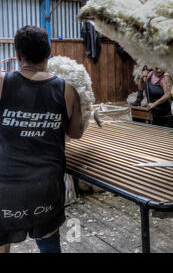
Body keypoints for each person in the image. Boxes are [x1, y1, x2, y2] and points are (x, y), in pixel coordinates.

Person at [0, 26, 84, 253]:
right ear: (49, 52)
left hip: (5, 187)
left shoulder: (1, 83)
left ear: (17, 54)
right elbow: (77, 133)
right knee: (48, 243)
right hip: (45, 187)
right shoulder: (68, 90)